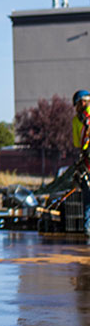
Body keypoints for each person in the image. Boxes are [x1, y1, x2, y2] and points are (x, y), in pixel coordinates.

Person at [73, 90, 90, 234]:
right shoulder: (77, 120)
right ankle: (88, 226)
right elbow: (77, 143)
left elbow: (76, 143)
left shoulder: (78, 120)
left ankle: (88, 226)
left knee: (88, 196)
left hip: (86, 160)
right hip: (86, 160)